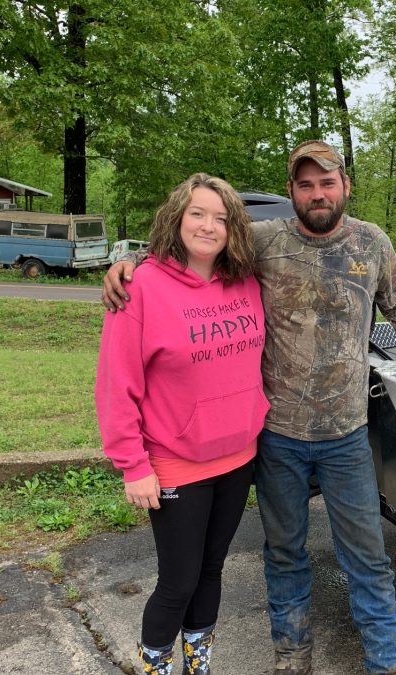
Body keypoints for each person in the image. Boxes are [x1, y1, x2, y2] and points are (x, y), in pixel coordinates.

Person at [103, 141, 396, 675]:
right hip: (276, 438)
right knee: (284, 556)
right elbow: (199, 241)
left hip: (346, 434)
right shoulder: (263, 240)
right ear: (292, 192)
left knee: (368, 560)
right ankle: (292, 659)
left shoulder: (372, 242)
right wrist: (129, 264)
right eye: (305, 184)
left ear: (345, 186)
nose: (317, 193)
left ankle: (390, 664)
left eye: (327, 182)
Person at [95, 173, 268, 675]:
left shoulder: (247, 280)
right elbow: (115, 384)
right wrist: (133, 465)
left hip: (238, 457)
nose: (209, 226)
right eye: (198, 213)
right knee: (178, 580)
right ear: (176, 218)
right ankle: (156, 668)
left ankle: (198, 665)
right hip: (175, 462)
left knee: (211, 570)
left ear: (234, 228)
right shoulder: (140, 286)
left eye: (221, 217)